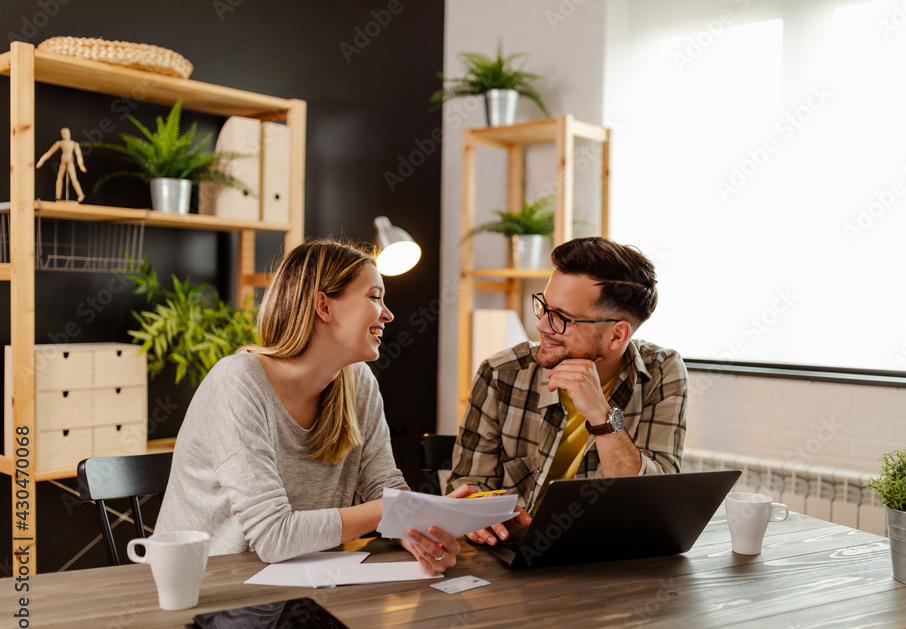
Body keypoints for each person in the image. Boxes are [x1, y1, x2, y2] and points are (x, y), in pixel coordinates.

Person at [157, 238, 460, 573]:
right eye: (375, 297)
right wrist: (406, 508)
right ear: (324, 306)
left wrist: (418, 535)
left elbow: (382, 489)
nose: (388, 314)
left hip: (306, 580)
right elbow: (273, 537)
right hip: (206, 587)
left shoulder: (358, 383)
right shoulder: (238, 381)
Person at [446, 237, 687, 545]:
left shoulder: (661, 372)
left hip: (609, 556)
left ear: (617, 335)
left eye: (561, 317)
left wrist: (602, 417)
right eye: (544, 307)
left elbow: (659, 502)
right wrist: (476, 511)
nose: (543, 326)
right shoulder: (501, 373)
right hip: (511, 549)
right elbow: (468, 482)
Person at [36, 127, 87, 202]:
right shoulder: (60, 143)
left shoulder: (74, 144)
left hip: (70, 161)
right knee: (59, 177)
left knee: (73, 178)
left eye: (67, 133)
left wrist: (81, 165)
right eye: (64, 134)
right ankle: (58, 195)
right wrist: (41, 160)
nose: (66, 135)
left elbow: (79, 155)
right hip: (63, 161)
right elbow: (50, 152)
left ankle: (81, 194)